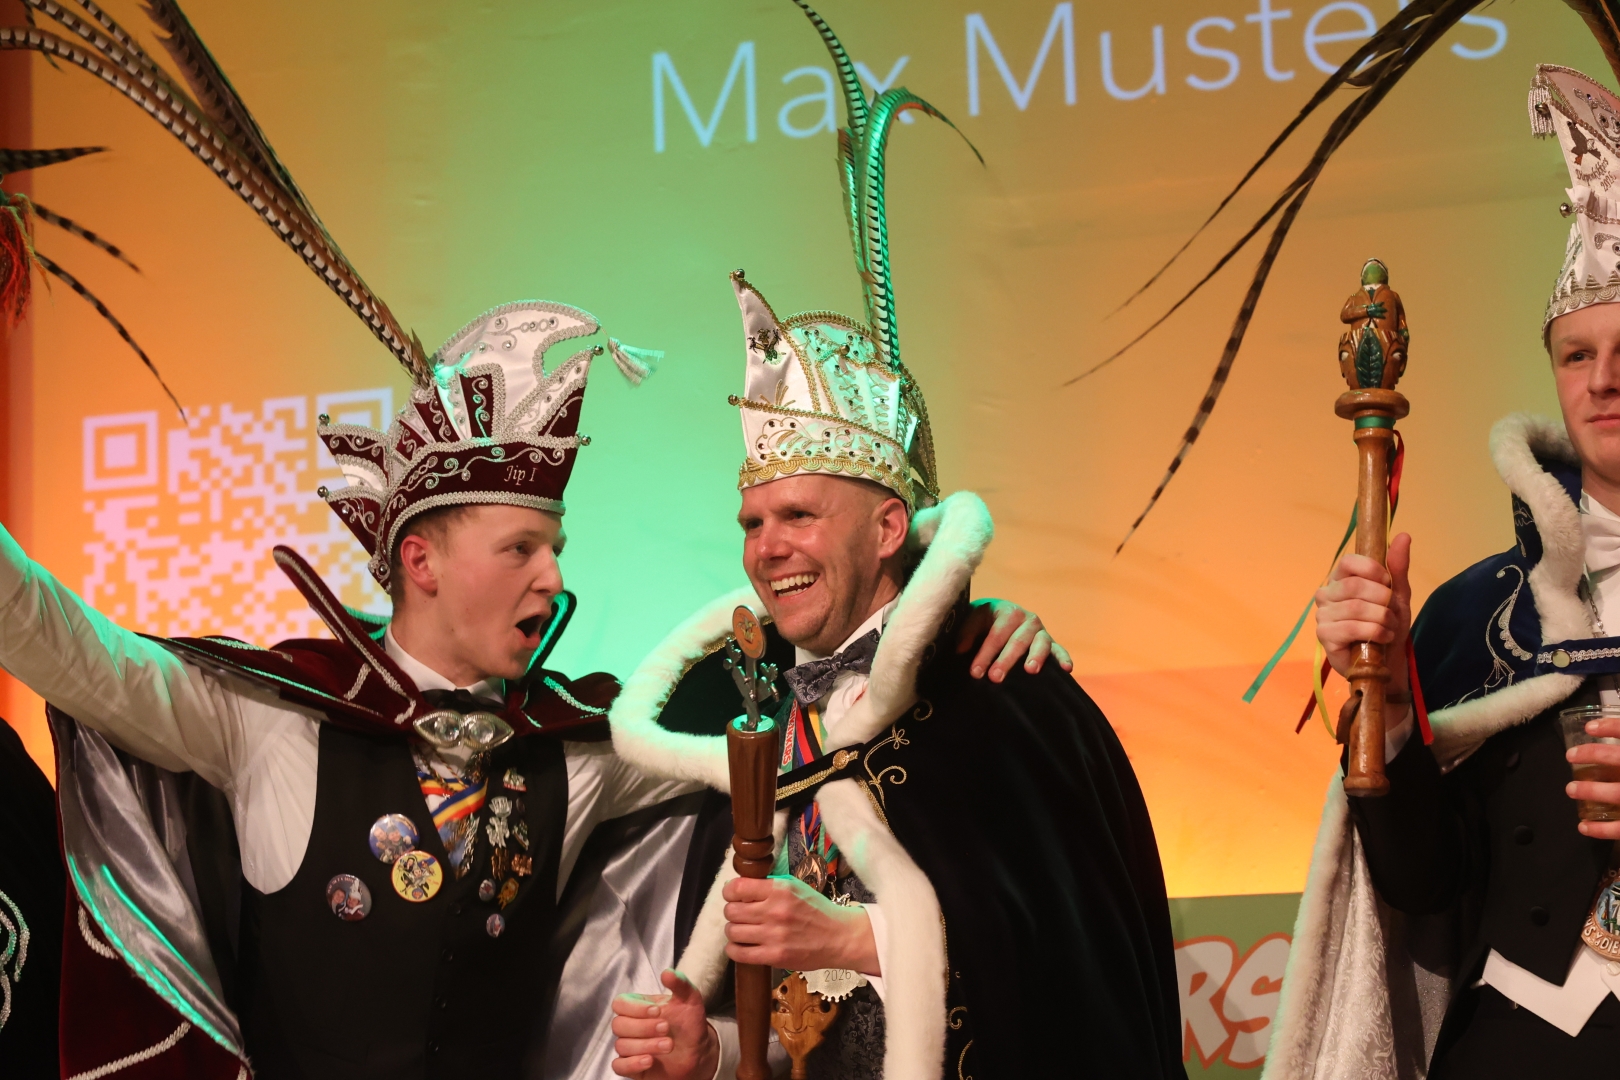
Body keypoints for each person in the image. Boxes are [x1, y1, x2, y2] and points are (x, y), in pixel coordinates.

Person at [603, 5, 1186, 1078]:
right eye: (753, 523)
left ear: (887, 528)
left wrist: (857, 937)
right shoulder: (756, 722)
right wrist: (709, 1050)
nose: (767, 548)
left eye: (798, 517)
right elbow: (796, 1031)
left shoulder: (1002, 691)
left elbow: (1074, 972)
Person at [1266, 64, 1620, 1080]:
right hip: (1518, 1050)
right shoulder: (1477, 615)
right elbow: (1424, 884)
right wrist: (1381, 705)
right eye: (1577, 354)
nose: (1604, 380)